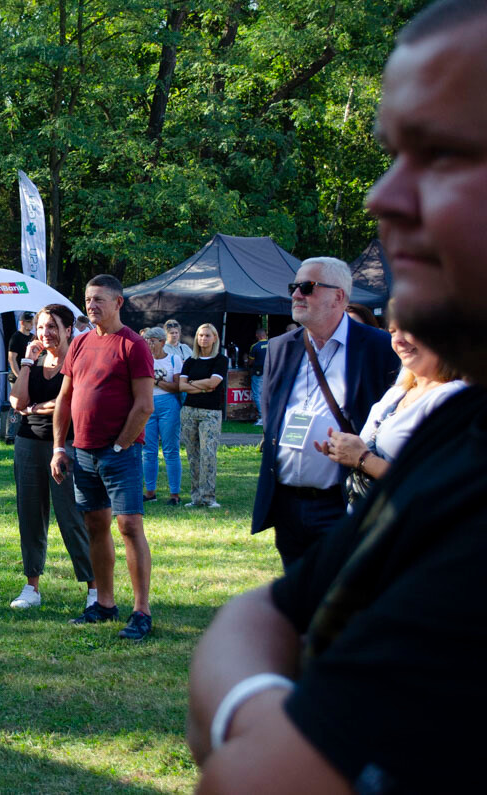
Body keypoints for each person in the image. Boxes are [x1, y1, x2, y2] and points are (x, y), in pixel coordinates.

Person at [189, 5, 487, 790]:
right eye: (394, 154)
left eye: (445, 154)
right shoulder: (464, 432)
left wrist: (249, 720)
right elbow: (255, 614)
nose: (382, 198)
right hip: (296, 503)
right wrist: (262, 709)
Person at [252, 257, 398, 567]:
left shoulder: (380, 348)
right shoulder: (281, 347)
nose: (296, 295)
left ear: (339, 297)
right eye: (294, 287)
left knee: (341, 601)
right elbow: (271, 411)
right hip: (287, 503)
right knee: (298, 602)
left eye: (307, 287)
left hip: (343, 502)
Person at [51, 275, 155, 640]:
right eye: (87, 299)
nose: (91, 305)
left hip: (120, 454)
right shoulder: (78, 345)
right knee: (96, 526)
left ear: (118, 303)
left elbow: (144, 405)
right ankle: (105, 604)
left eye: (98, 299)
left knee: (129, 527)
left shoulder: (134, 345)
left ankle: (141, 611)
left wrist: (120, 445)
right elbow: (65, 399)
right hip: (81, 453)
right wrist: (60, 447)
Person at [315, 306, 465, 503]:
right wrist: (343, 446)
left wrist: (362, 459)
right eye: (393, 331)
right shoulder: (397, 393)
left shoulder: (453, 397)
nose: (398, 340)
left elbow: (435, 484)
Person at [8, 303, 95, 609]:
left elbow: (69, 402)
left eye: (53, 326)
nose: (46, 333)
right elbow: (17, 401)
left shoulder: (79, 360)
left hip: (68, 446)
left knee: (72, 517)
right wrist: (28, 363)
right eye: (42, 327)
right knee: (30, 516)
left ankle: (94, 588)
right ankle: (31, 586)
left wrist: (34, 407)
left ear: (69, 329)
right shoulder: (34, 362)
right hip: (28, 443)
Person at [177, 323, 228, 508]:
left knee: (208, 454)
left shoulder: (220, 360)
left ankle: (208, 497)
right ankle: (196, 497)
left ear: (214, 338)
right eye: (200, 335)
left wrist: (193, 383)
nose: (203, 339)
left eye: (207, 335)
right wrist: (203, 386)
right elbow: (181, 386)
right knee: (193, 455)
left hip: (210, 413)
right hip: (189, 411)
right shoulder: (190, 361)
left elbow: (214, 383)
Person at [140, 326, 183, 505]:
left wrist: (156, 381)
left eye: (153, 341)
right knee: (148, 451)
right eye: (147, 340)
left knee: (170, 450)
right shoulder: (143, 360)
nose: (149, 344)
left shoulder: (174, 360)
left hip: (168, 405)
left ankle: (175, 494)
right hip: (147, 405)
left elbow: (177, 386)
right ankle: (150, 492)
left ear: (162, 342)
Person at [5, 311, 35, 443]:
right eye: (29, 321)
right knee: (15, 405)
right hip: (16, 376)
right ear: (22, 323)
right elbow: (12, 359)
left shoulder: (34, 338)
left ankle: (25, 431)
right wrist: (19, 376)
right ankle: (10, 435)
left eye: (32, 321)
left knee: (29, 402)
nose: (31, 324)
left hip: (30, 375)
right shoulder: (16, 337)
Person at [248, 328, 269, 426]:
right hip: (271, 372)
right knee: (268, 394)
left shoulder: (255, 346)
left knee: (257, 394)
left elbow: (251, 361)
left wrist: (246, 362)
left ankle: (262, 417)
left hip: (259, 372)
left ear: (257, 335)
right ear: (265, 335)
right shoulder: (272, 343)